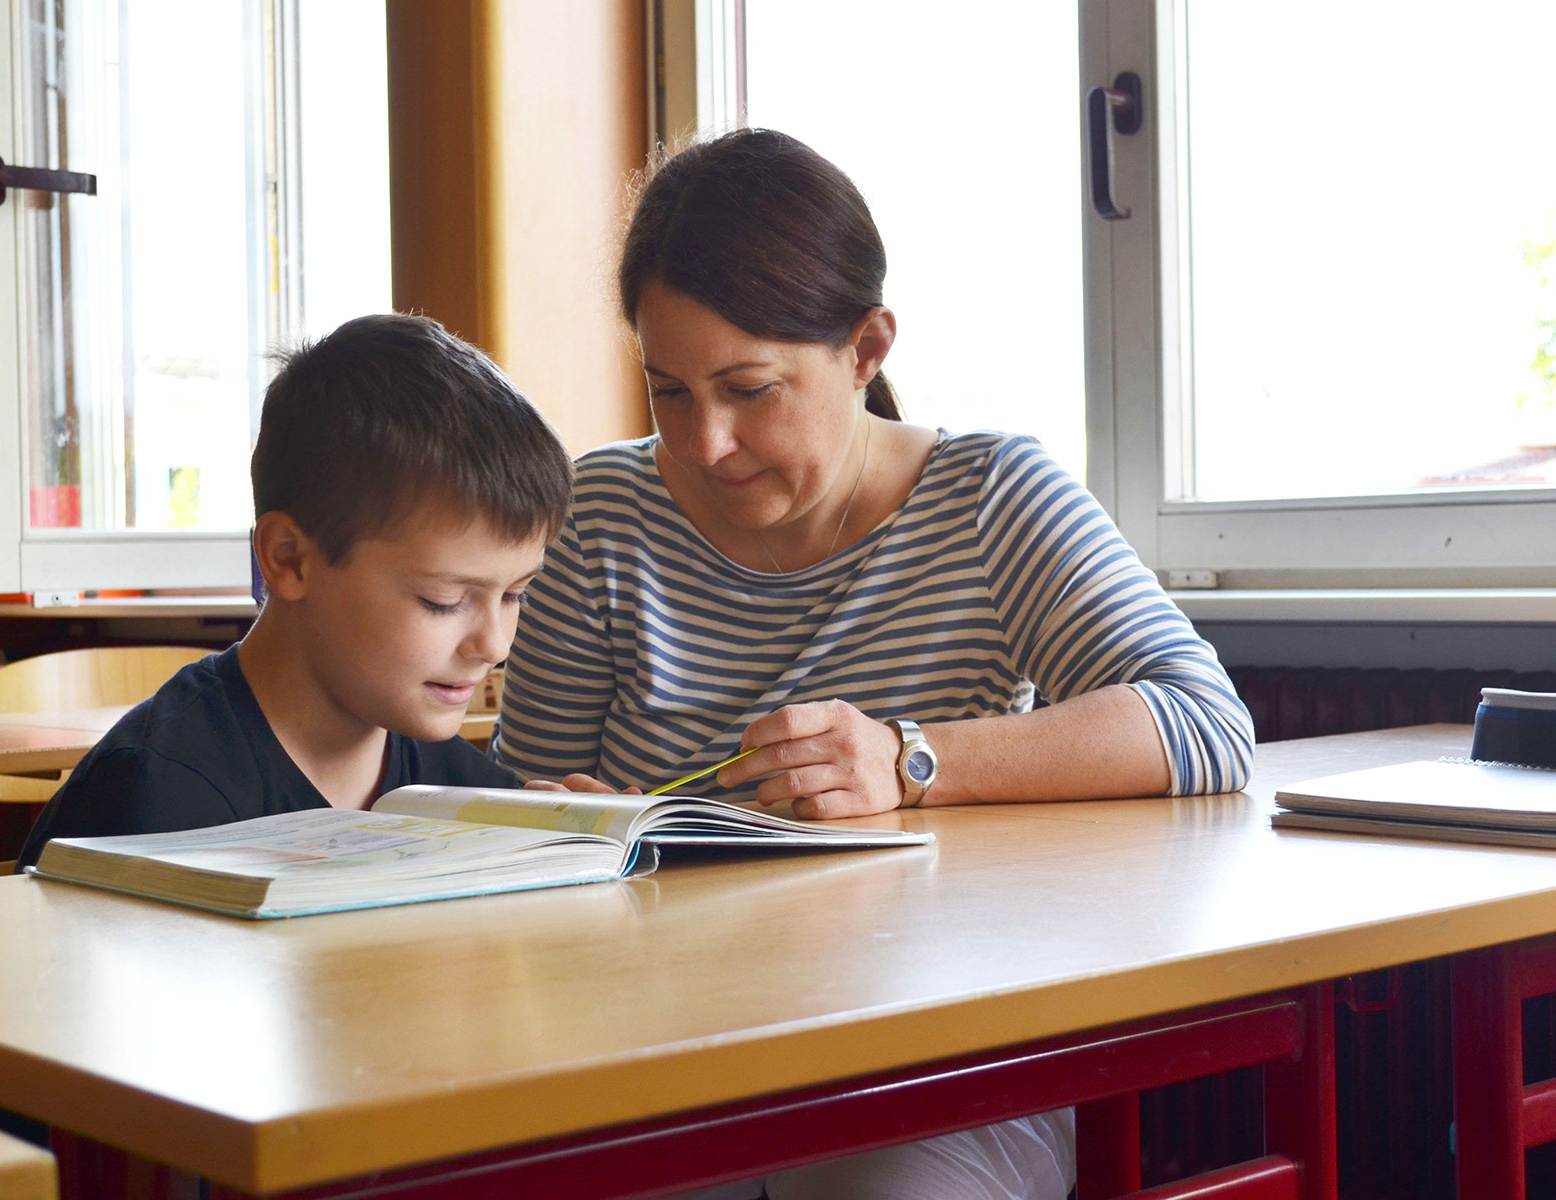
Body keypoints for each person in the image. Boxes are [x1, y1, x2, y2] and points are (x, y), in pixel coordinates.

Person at [496, 130, 1254, 1200]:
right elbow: (511, 803)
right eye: (668, 392)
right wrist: (546, 818)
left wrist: (912, 760)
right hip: (641, 1062)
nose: (705, 443)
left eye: (750, 389)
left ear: (866, 348)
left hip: (940, 1073)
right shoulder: (605, 514)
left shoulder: (989, 498)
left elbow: (1206, 727)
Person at [17, 313, 571, 869]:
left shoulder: (456, 788)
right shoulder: (156, 800)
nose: (494, 645)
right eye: (443, 601)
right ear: (289, 559)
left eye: (514, 595)